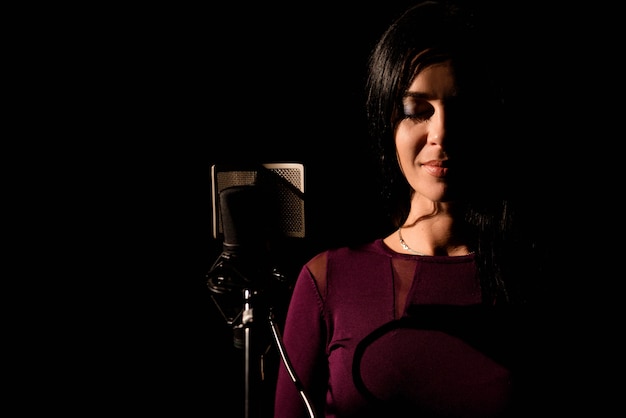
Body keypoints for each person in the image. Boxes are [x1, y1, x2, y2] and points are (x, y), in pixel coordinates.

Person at [273, 1, 545, 417]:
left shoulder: (532, 278)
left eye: (463, 109)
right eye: (417, 111)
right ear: (387, 121)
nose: (442, 133)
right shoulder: (327, 281)